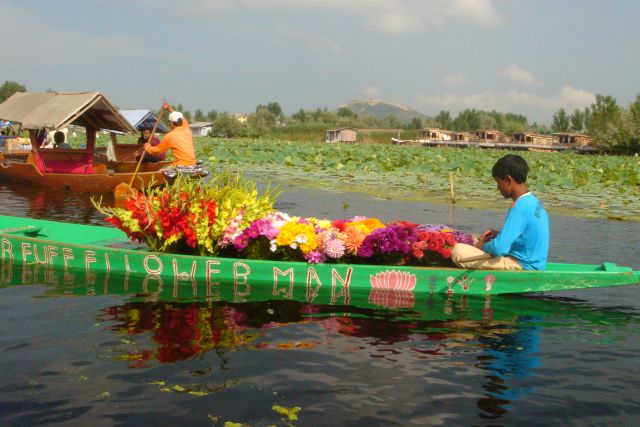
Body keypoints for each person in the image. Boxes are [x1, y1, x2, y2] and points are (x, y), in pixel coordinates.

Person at [451, 154, 549, 270]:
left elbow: (499, 249)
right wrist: (499, 235)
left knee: (458, 251)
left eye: (498, 182)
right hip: (536, 262)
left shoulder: (519, 207)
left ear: (508, 180)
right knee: (476, 238)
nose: (498, 188)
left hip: (522, 265)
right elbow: (527, 236)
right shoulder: (534, 202)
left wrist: (480, 246)